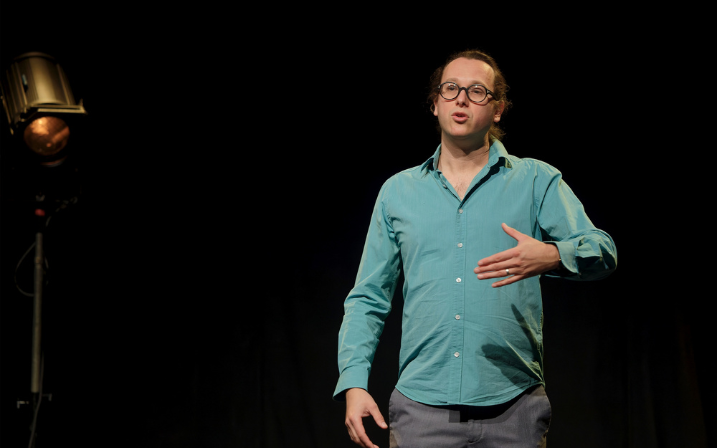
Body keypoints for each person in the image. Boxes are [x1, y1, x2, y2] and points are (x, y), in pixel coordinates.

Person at [333, 49, 617, 448]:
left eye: (477, 91)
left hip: (514, 408)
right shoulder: (398, 192)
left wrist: (552, 255)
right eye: (451, 89)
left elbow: (602, 249)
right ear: (435, 104)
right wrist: (354, 383)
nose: (462, 98)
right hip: (421, 413)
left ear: (498, 109)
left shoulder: (536, 180)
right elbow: (368, 298)